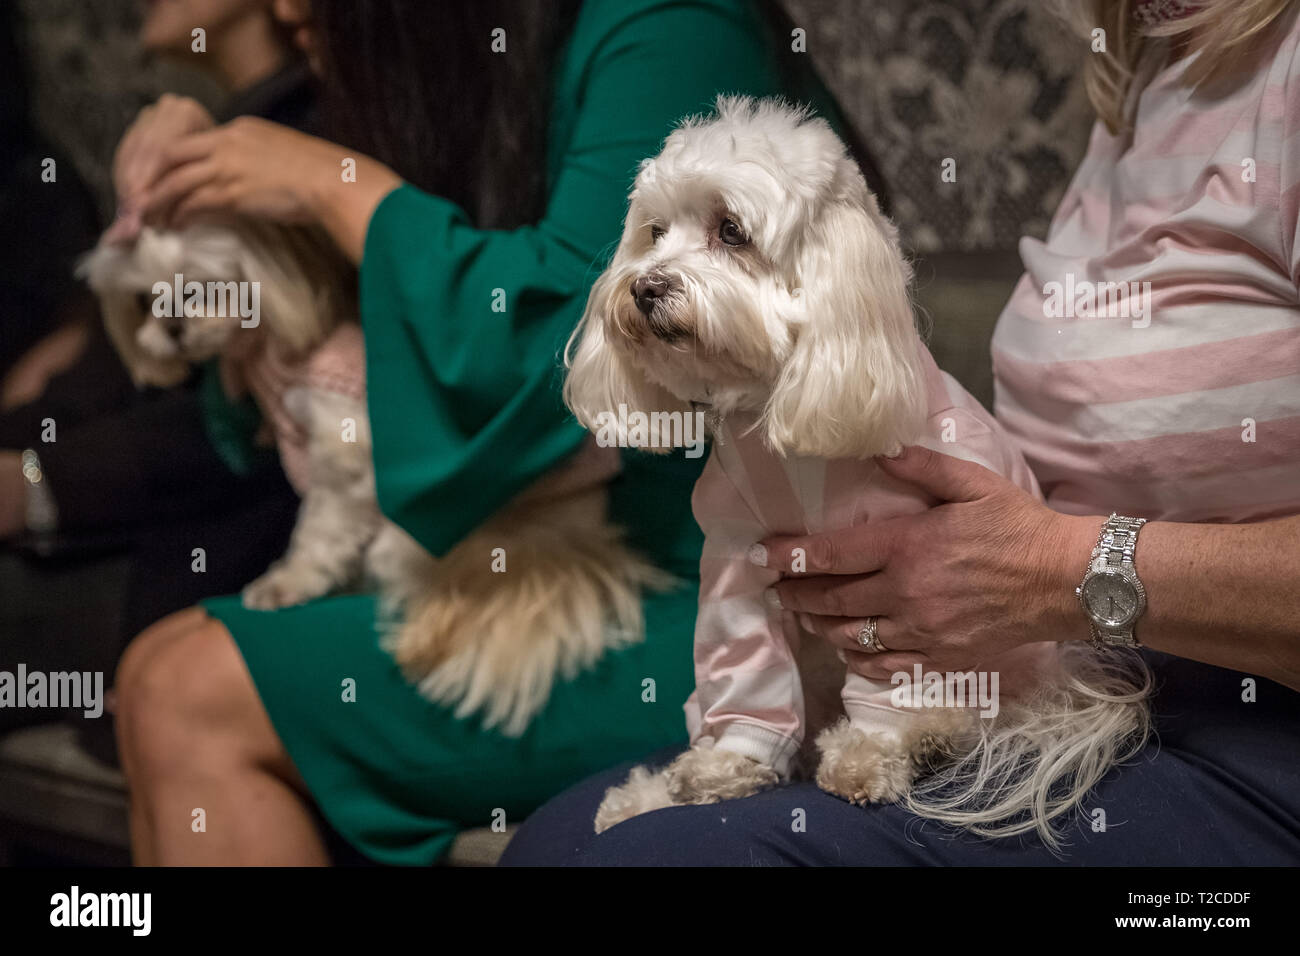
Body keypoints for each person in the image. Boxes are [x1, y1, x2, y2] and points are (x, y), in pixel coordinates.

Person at [501, 0, 1300, 865]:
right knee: (557, 842)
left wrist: (1054, 570)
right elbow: (748, 593)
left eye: (730, 233)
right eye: (661, 235)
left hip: (1243, 715)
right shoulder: (1147, 69)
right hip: (1095, 659)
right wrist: (746, 736)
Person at [110, 0, 886, 865]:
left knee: (183, 691)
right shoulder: (480, 68)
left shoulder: (668, 25)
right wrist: (198, 164)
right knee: (157, 666)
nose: (286, 3)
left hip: (738, 598)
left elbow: (554, 356)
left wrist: (340, 189)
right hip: (537, 557)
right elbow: (301, 357)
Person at [0, 0, 315, 750]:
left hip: (221, 541)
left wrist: (37, 483)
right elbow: (105, 374)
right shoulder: (198, 146)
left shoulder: (308, 154)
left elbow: (249, 416)